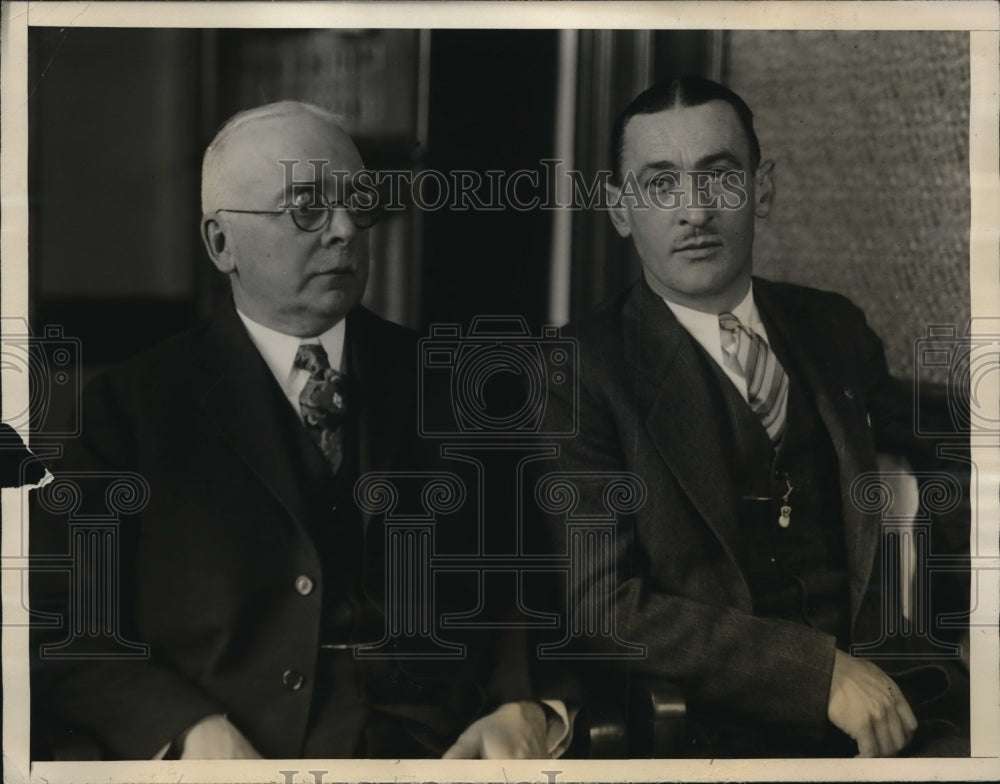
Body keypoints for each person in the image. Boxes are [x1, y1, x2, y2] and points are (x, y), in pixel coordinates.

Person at [30, 101, 560, 760]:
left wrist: (524, 705)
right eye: (307, 206)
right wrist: (187, 731)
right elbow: (59, 625)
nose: (344, 229)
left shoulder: (456, 388)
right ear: (221, 243)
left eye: (356, 201)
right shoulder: (124, 410)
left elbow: (529, 585)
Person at [534, 76, 969, 758]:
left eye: (720, 177)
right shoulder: (579, 370)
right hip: (721, 733)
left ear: (761, 190)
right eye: (660, 185)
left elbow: (952, 446)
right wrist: (816, 672)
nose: (695, 211)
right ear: (619, 209)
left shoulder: (831, 328)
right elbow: (605, 609)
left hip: (904, 707)